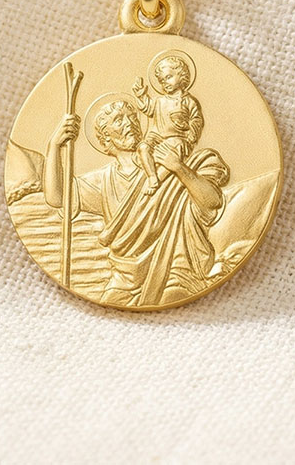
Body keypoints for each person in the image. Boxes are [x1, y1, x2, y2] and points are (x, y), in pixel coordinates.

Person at [44, 99, 228, 307]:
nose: (129, 123)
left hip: (176, 269)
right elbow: (56, 198)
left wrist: (179, 168)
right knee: (108, 306)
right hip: (124, 279)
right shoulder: (103, 181)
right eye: (118, 120)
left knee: (173, 296)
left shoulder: (169, 162)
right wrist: (54, 146)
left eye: (132, 117)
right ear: (106, 139)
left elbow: (213, 201)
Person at [132, 55, 203, 191]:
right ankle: (152, 176)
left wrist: (191, 134)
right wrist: (140, 95)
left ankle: (160, 179)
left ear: (182, 75)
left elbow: (196, 119)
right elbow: (147, 107)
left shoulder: (189, 101)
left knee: (168, 157)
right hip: (156, 137)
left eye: (168, 77)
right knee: (143, 148)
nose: (165, 82)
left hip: (177, 138)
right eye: (162, 80)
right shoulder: (159, 101)